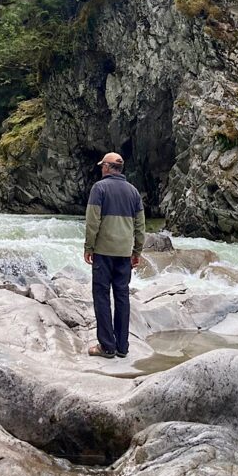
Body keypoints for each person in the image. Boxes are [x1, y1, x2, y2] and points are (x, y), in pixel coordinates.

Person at [84, 151, 145, 359]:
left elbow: (93, 222)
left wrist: (88, 247)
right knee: (122, 297)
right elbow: (140, 226)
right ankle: (122, 347)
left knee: (101, 297)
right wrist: (137, 251)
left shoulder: (99, 188)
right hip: (124, 254)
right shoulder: (134, 192)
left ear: (109, 168)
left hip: (103, 252)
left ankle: (107, 346)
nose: (101, 169)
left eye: (103, 166)